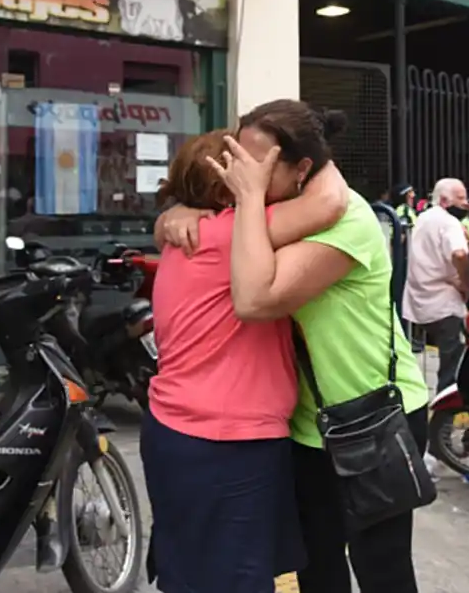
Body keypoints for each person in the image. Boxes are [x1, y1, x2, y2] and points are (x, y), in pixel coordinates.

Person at [210, 100, 429, 593]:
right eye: (237, 160)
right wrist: (180, 212)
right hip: (310, 426)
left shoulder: (346, 219)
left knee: (382, 569)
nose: (243, 176)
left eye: (258, 166)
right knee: (316, 566)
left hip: (374, 417)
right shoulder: (275, 210)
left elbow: (256, 298)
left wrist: (245, 204)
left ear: (302, 168)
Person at [142, 130, 348, 593]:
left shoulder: (188, 236)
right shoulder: (230, 233)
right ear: (227, 181)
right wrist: (313, 142)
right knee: (238, 578)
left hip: (178, 430)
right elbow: (329, 202)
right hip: (227, 441)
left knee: (187, 570)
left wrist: (175, 213)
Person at [403, 178, 469, 396]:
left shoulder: (423, 219)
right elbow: (459, 253)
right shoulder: (448, 222)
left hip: (420, 300)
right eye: (460, 198)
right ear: (444, 200)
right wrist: (465, 283)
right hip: (445, 302)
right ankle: (445, 420)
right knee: (453, 367)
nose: (466, 203)